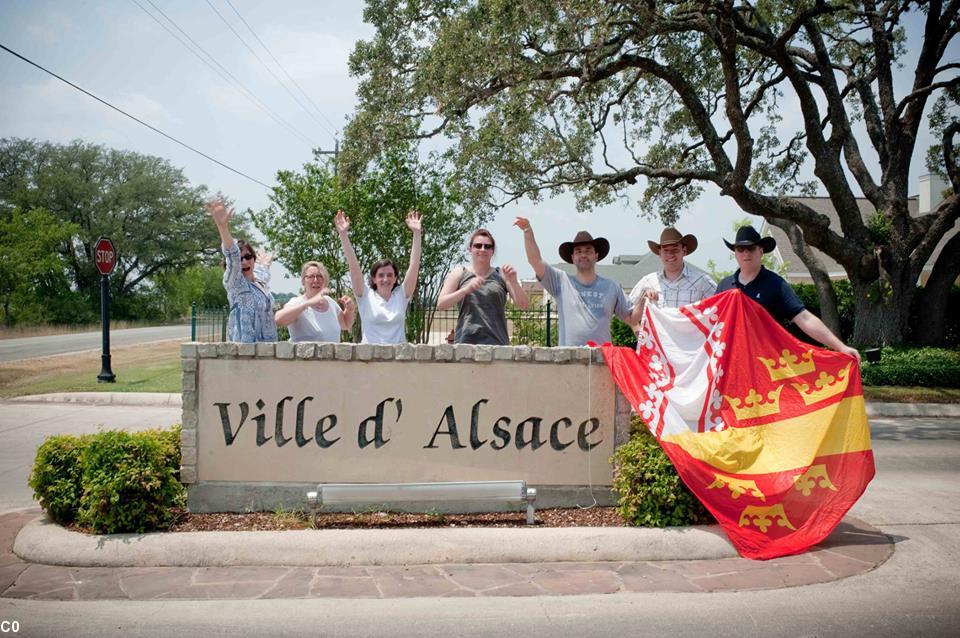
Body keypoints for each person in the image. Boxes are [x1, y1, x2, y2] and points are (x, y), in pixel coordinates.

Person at [716, 225, 861, 362]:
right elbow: (712, 324)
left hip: (768, 364)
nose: (746, 253)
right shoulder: (724, 286)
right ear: (735, 252)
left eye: (751, 248)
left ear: (760, 250)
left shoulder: (775, 284)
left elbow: (804, 318)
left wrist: (841, 347)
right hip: (732, 364)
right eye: (741, 249)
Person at [514, 217, 641, 346]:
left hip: (602, 359)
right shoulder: (561, 281)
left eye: (588, 250)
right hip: (569, 361)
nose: (583, 255)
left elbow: (632, 318)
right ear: (572, 257)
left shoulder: (611, 287)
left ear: (596, 256)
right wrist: (527, 231)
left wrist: (644, 300)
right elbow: (535, 261)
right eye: (578, 251)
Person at [336, 209, 422, 344]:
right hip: (370, 359)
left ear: (395, 278)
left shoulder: (401, 295)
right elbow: (354, 266)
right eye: (381, 275)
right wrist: (343, 235)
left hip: (398, 358)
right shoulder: (365, 295)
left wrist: (417, 233)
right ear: (374, 279)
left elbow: (414, 265)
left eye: (390, 275)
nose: (386, 279)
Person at [436, 229, 530, 344]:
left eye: (487, 246)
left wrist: (514, 282)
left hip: (497, 345)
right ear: (470, 249)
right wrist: (465, 290)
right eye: (478, 246)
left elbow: (524, 305)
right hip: (465, 345)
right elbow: (441, 304)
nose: (482, 249)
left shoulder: (502, 274)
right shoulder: (459, 272)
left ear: (492, 251)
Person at [206, 196, 278, 343]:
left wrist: (265, 263)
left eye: (248, 256)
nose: (244, 261)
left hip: (268, 350)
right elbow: (232, 255)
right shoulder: (236, 283)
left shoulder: (259, 280)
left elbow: (263, 271)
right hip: (244, 352)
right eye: (241, 258)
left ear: (254, 258)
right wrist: (222, 227)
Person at [629, 227, 716, 310]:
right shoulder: (647, 282)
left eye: (675, 249)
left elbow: (723, 308)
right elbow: (627, 313)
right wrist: (637, 325)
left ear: (684, 251)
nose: (670, 254)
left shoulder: (702, 281)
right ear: (660, 253)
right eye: (665, 250)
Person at [274, 261, 355, 342]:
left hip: (332, 354)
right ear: (303, 281)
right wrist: (308, 303)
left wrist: (349, 309)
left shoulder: (330, 302)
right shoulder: (296, 302)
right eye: (311, 276)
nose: (316, 280)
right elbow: (279, 320)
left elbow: (346, 324)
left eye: (320, 276)